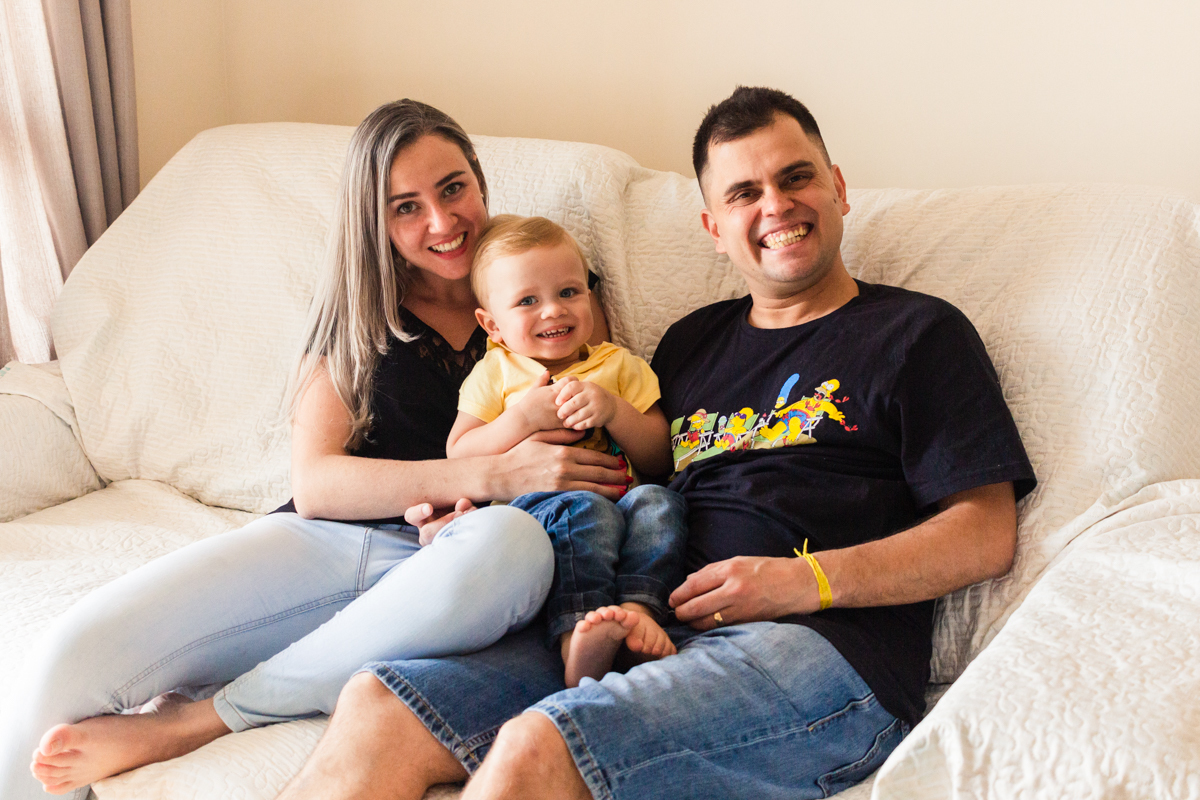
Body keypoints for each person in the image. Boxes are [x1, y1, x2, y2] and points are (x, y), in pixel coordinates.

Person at [274, 85, 1037, 800]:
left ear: (838, 187)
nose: (776, 206)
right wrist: (471, 518)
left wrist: (806, 581)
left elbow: (984, 532)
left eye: (795, 177)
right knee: (378, 702)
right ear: (712, 227)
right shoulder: (688, 345)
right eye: (743, 193)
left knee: (540, 746)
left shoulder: (917, 332)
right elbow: (602, 474)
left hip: (818, 651)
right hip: (636, 619)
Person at [6, 99, 630, 800]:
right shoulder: (361, 308)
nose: (441, 221)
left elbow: (600, 426)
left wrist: (492, 500)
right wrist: (486, 473)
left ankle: (203, 720)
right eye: (405, 206)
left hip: (475, 562)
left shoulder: (545, 280)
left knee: (512, 543)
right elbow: (318, 483)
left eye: (453, 188)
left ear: (479, 180)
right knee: (65, 657)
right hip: (329, 543)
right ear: (375, 219)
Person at [435, 214, 687, 687]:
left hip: (625, 502)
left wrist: (613, 409)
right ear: (491, 324)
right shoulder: (498, 373)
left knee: (663, 502)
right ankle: (578, 634)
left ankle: (637, 609)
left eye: (569, 292)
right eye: (528, 301)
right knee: (583, 513)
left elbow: (661, 458)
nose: (554, 310)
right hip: (545, 513)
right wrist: (523, 418)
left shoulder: (619, 365)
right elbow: (460, 455)